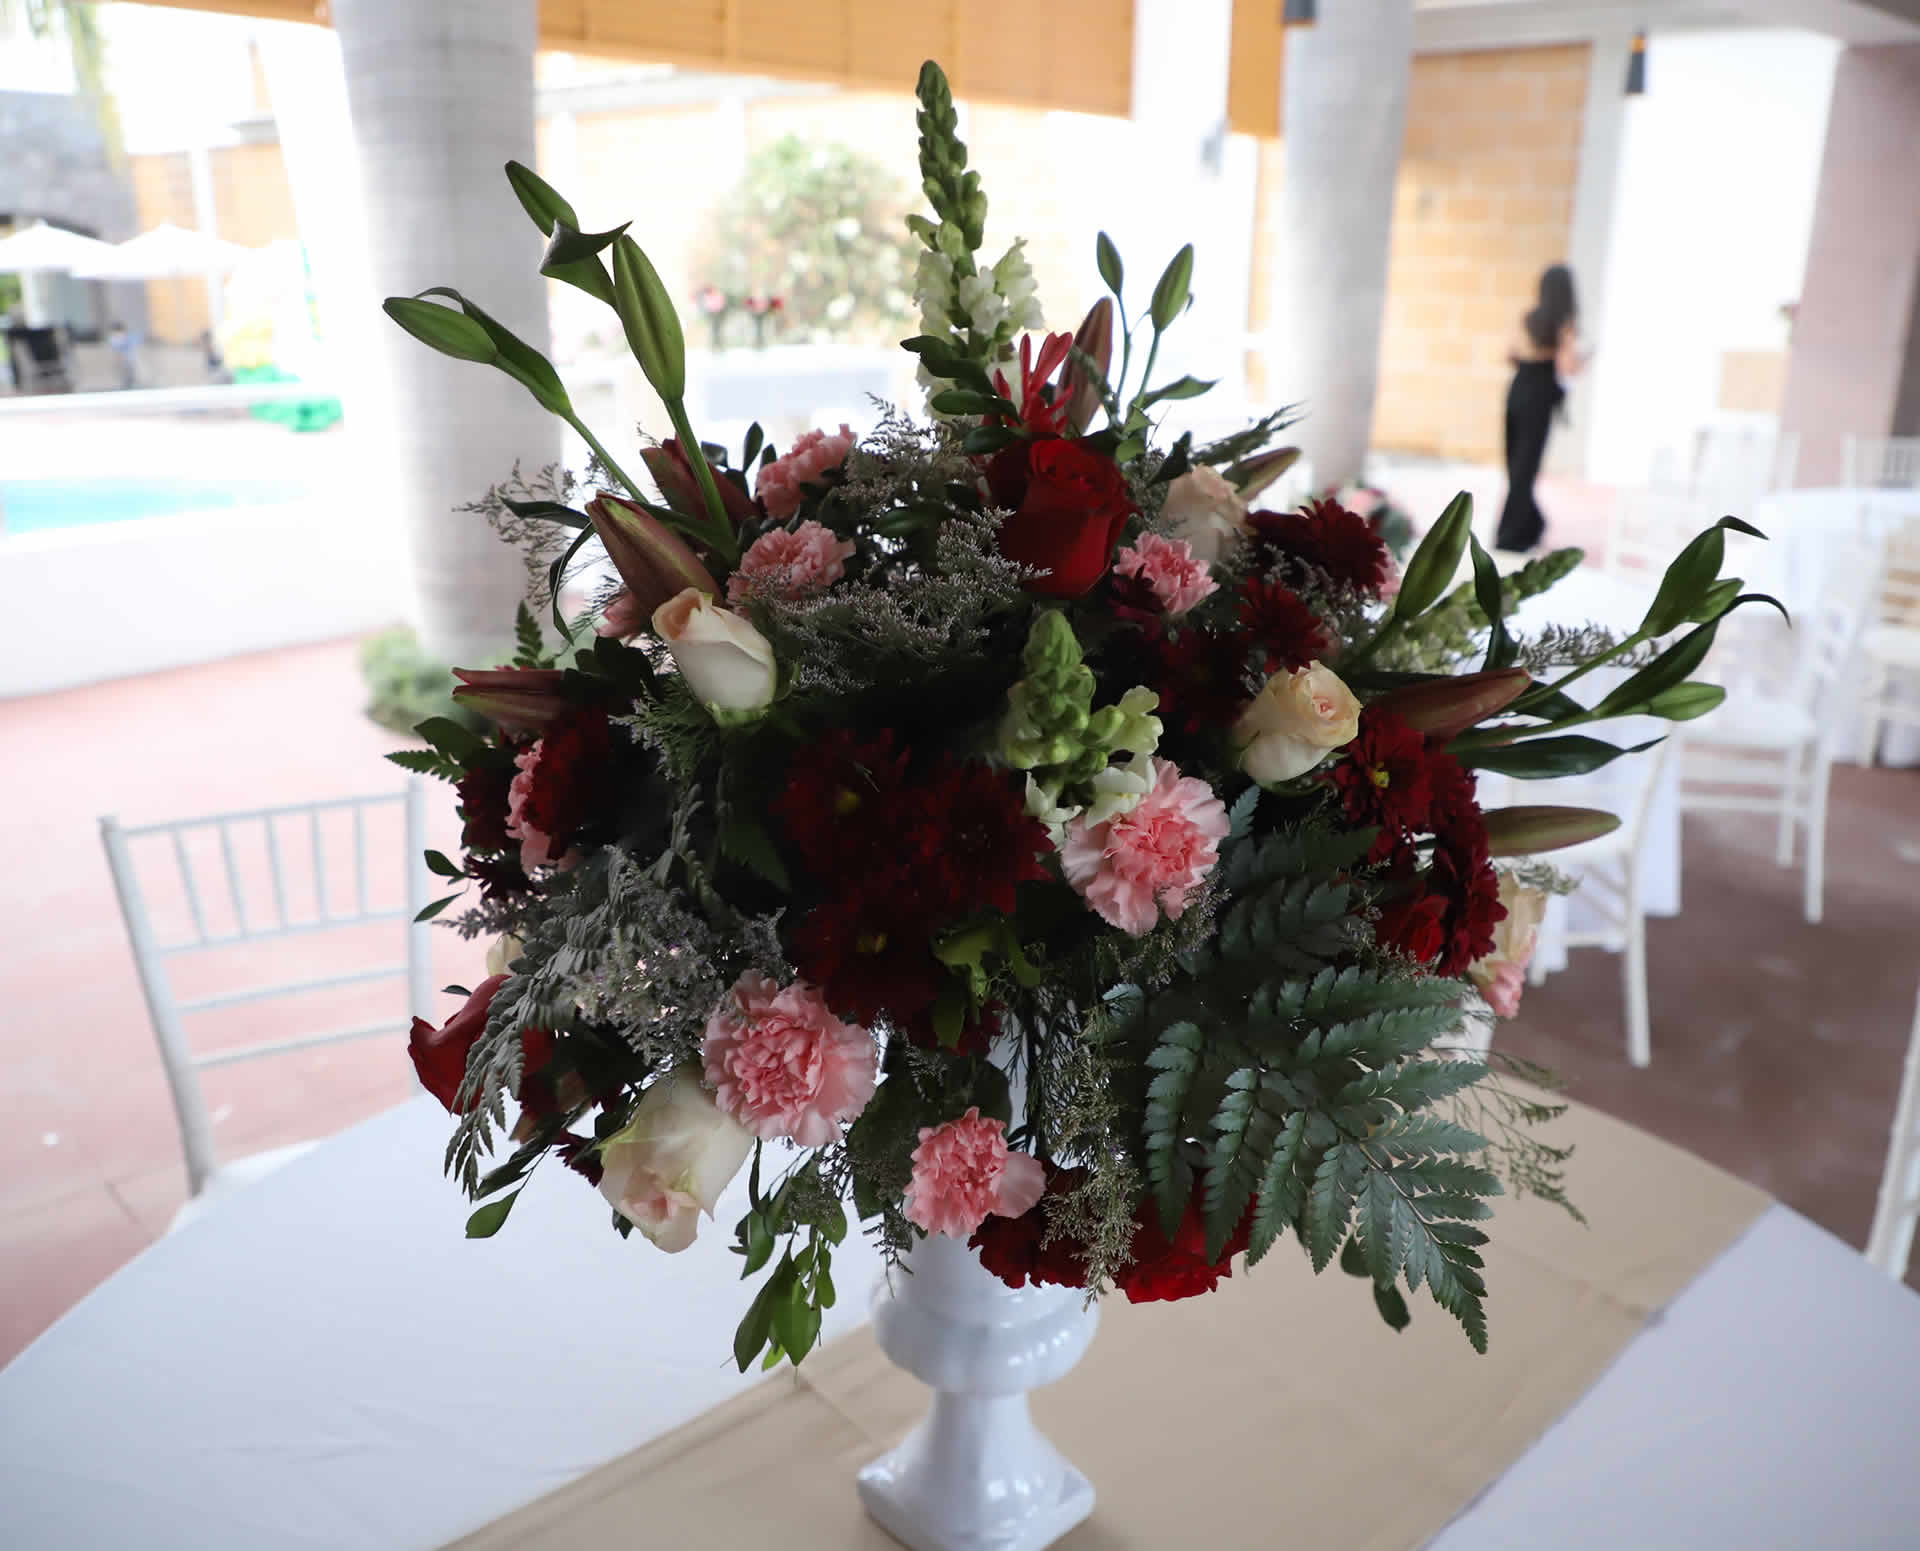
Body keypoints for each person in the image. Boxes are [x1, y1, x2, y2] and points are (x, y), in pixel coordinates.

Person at [1495, 264, 1588, 555]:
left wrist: (1531, 354)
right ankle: (1516, 533)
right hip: (1540, 394)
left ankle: (1527, 525)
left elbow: (1510, 353)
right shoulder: (1565, 324)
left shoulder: (1529, 319)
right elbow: (1567, 366)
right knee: (1526, 466)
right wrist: (1580, 362)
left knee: (1515, 465)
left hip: (1518, 388)